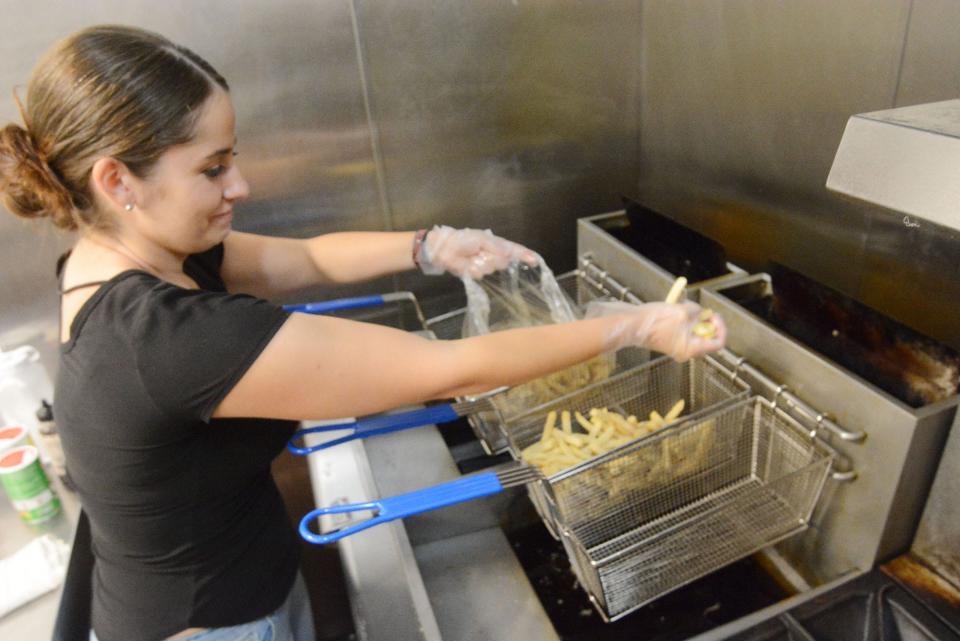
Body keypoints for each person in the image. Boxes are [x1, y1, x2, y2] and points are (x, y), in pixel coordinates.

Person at [0, 25, 726, 641]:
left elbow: (307, 259)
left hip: (209, 575)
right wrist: (633, 325)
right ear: (117, 182)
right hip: (215, 622)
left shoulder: (117, 259)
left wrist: (433, 244)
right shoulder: (172, 338)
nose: (240, 186)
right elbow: (454, 369)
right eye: (213, 167)